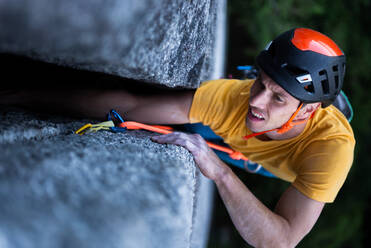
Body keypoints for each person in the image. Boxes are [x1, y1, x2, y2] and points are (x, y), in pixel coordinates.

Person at [1, 28, 355, 247]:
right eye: (261, 83)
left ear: (309, 111)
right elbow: (134, 104)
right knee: (190, 118)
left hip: (264, 159)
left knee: (216, 143)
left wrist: (218, 172)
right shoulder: (235, 97)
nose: (257, 101)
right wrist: (20, 96)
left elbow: (280, 242)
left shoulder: (331, 152)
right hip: (232, 129)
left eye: (278, 96)